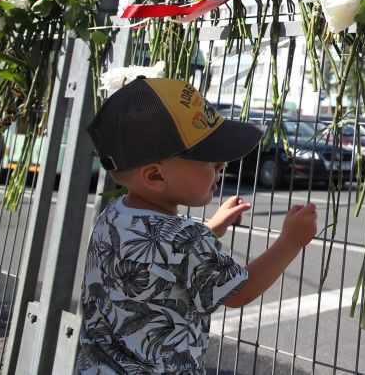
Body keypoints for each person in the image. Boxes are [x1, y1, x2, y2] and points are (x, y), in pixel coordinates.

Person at [75, 77, 318, 373]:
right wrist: (291, 241)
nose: (222, 166)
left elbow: (155, 258)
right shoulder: (186, 240)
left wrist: (210, 229)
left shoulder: (112, 217)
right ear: (154, 177)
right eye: (211, 160)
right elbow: (240, 292)